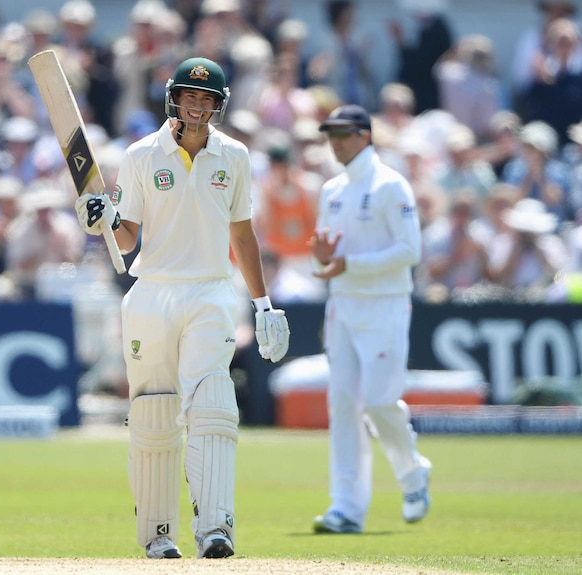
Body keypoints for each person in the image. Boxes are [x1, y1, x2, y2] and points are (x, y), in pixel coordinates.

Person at [73, 57, 289, 559]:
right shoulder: (142, 154)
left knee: (213, 402)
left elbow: (242, 233)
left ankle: (216, 529)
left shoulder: (234, 155)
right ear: (174, 98)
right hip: (153, 291)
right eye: (189, 97)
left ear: (218, 104)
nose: (196, 106)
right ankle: (158, 535)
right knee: (153, 412)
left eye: (206, 99)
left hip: (213, 289)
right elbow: (126, 237)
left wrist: (263, 304)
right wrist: (99, 220)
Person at [307, 104, 431, 534]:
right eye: (330, 135)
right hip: (343, 305)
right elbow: (329, 253)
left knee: (379, 403)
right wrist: (324, 262)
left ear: (364, 136)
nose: (335, 142)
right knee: (342, 405)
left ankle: (413, 474)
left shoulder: (391, 186)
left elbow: (409, 251)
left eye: (343, 134)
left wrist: (347, 265)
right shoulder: (332, 190)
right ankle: (346, 507)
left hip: (385, 305)